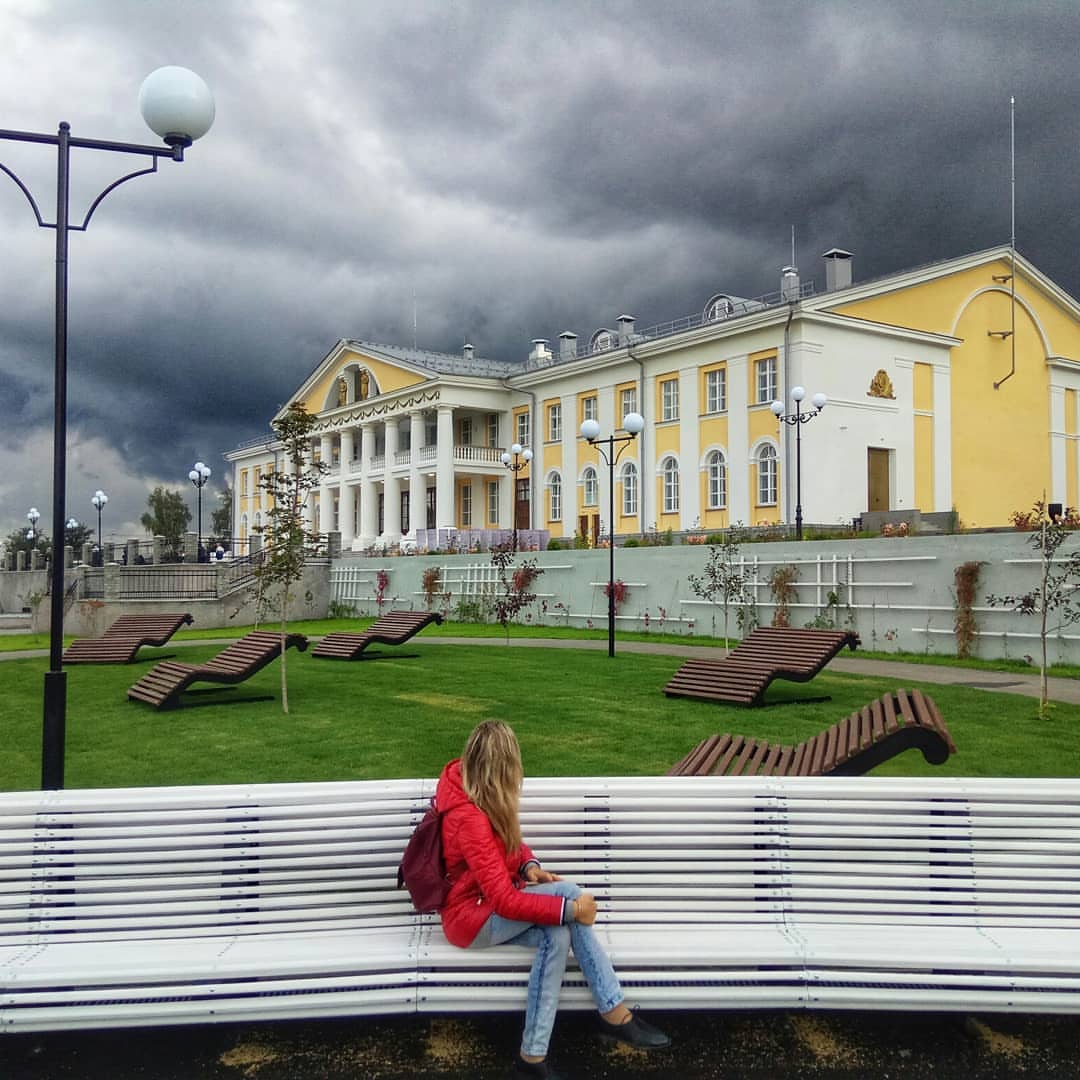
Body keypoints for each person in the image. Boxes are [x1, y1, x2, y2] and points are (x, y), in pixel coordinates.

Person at [436, 720, 670, 1080]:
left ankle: (532, 1057)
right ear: (501, 767)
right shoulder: (468, 818)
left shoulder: (477, 794)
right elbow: (503, 900)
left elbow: (505, 850)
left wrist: (530, 868)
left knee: (556, 935)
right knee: (570, 895)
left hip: (486, 908)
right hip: (471, 919)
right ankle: (613, 1010)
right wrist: (571, 909)